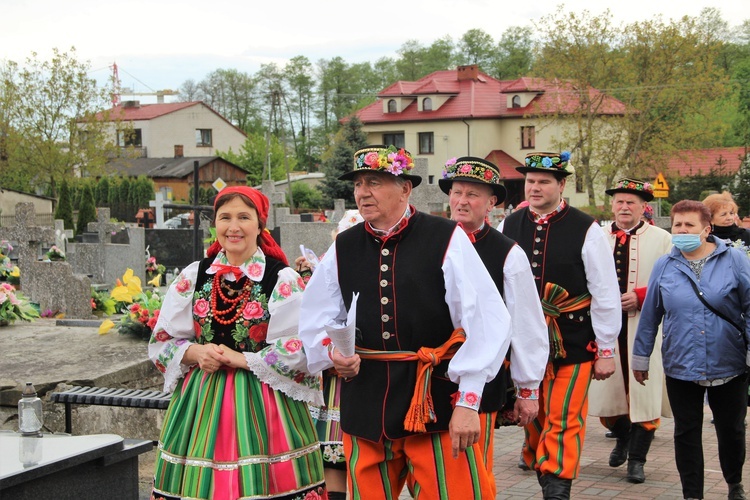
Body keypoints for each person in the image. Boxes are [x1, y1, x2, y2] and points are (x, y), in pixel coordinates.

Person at [299, 145, 512, 499]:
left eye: (375, 182)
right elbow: (317, 318)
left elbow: (487, 320)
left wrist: (468, 402)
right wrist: (334, 353)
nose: (363, 192)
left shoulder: (446, 237)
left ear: (405, 188)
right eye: (358, 184)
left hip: (434, 400)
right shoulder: (343, 246)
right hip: (366, 403)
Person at [148, 186, 326, 500]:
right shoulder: (195, 275)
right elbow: (163, 339)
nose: (234, 227)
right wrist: (196, 351)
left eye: (244, 217)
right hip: (200, 401)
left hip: (265, 402)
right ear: (214, 224)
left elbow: (302, 346)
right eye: (225, 217)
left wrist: (241, 359)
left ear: (260, 225)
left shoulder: (281, 278)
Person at [499, 151, 621, 500]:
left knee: (565, 415)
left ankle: (557, 487)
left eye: (543, 182)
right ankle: (544, 466)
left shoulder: (587, 229)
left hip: (573, 338)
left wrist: (607, 349)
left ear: (561, 184)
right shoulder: (509, 225)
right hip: (523, 341)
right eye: (530, 181)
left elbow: (605, 292)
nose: (534, 188)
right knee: (533, 417)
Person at [439, 156, 549, 495]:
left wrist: (528, 389)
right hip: (428, 375)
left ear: (492, 203)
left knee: (471, 469)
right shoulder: (432, 241)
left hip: (482, 375)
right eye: (457, 192)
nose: (461, 201)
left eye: (472, 195)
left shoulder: (507, 253)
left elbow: (526, 323)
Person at [633, 200, 750, 500]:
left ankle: (734, 481)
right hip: (680, 362)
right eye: (677, 225)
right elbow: (651, 315)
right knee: (686, 433)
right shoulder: (665, 265)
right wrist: (641, 357)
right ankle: (692, 494)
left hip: (730, 362)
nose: (682, 230)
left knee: (732, 431)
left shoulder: (735, 260)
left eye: (689, 225)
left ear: (707, 229)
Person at [588, 178, 672, 484]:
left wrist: (641, 295)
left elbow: (674, 279)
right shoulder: (596, 236)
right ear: (612, 205)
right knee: (606, 395)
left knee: (643, 393)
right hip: (604, 328)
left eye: (631, 202)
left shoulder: (662, 239)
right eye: (620, 202)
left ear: (642, 207)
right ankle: (621, 436)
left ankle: (637, 460)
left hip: (644, 326)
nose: (625, 207)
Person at [296, 209, 364, 500]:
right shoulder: (329, 267)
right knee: (331, 453)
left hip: (362, 369)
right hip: (333, 373)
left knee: (356, 455)